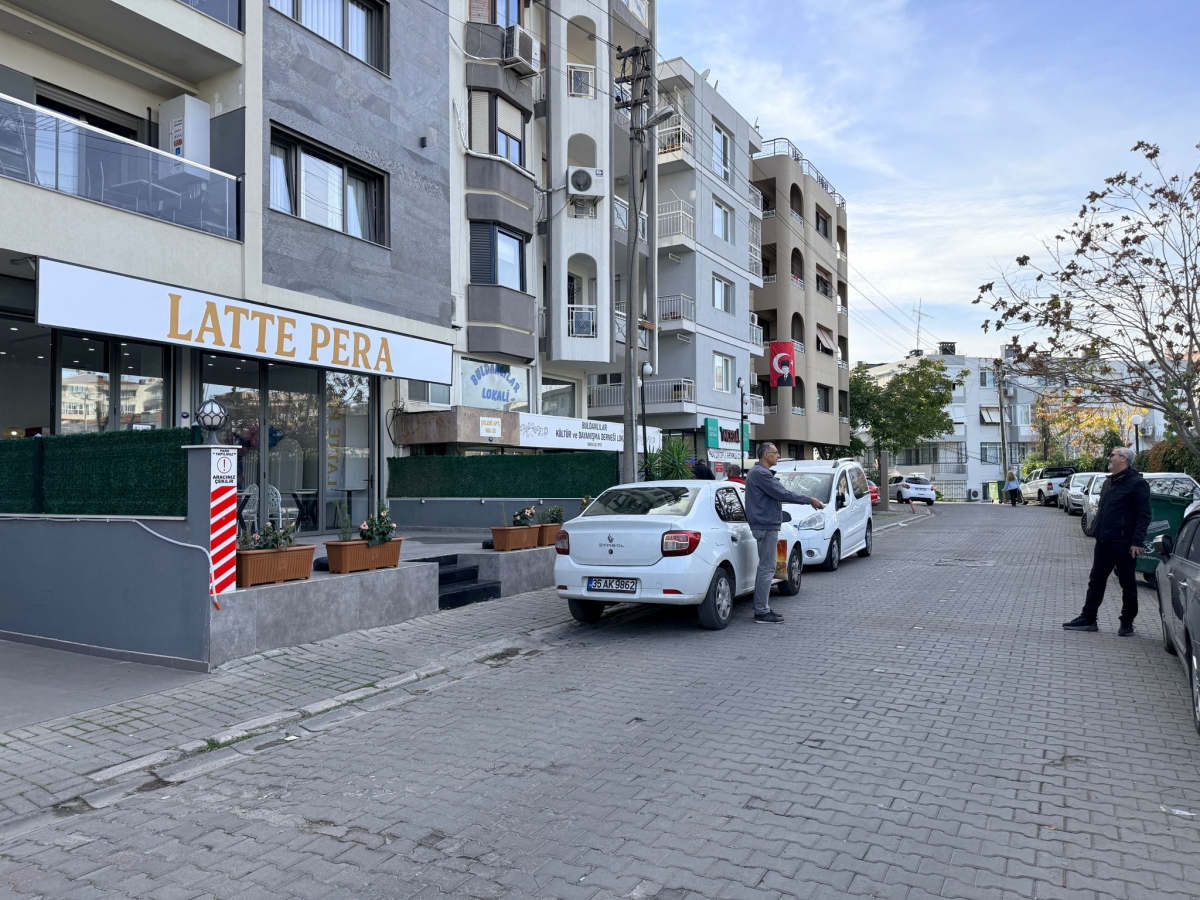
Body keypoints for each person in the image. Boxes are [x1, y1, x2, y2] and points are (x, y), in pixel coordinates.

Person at [1063, 447, 1151, 636]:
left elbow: (1144, 514)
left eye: (1112, 455)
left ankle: (1127, 623)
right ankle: (1088, 618)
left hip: (1124, 543)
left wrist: (1137, 542)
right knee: (1096, 580)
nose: (1109, 458)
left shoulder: (1137, 483)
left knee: (1127, 584)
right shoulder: (1108, 482)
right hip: (1104, 541)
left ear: (1124, 459)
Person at [744, 443, 825, 624]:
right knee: (767, 568)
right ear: (766, 455)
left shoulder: (759, 473)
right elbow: (783, 494)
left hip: (765, 524)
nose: (778, 455)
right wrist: (810, 500)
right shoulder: (761, 474)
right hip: (766, 526)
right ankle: (761, 611)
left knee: (767, 567)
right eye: (775, 452)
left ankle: (762, 607)